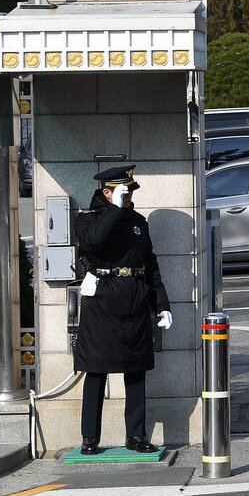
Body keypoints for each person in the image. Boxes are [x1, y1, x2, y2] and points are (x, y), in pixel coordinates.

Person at [73, 165, 172, 455]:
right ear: (107, 192)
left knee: (136, 371)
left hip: (135, 299)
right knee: (96, 371)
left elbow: (150, 265)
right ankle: (90, 438)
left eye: (130, 193)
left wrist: (162, 304)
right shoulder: (87, 219)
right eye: (123, 193)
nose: (129, 197)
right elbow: (93, 242)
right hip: (103, 300)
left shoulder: (138, 221)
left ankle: (136, 436)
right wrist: (114, 211)